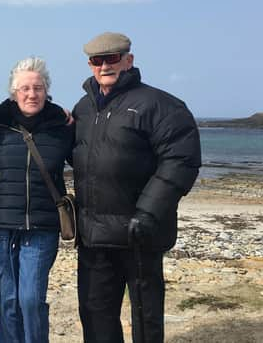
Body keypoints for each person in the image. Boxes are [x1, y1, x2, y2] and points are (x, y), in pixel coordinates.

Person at [71, 32, 202, 343]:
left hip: (139, 233)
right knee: (95, 313)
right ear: (90, 65)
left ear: (128, 60)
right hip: (93, 235)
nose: (104, 66)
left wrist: (147, 213)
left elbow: (181, 160)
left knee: (145, 316)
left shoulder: (160, 105)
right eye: (97, 60)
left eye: (112, 58)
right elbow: (72, 152)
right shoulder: (83, 109)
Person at [0, 57, 74, 343]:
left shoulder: (62, 125)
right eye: (24, 88)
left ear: (47, 90)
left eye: (38, 87)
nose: (31, 94)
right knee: (6, 300)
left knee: (31, 300)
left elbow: (91, 162)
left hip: (43, 225)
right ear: (13, 92)